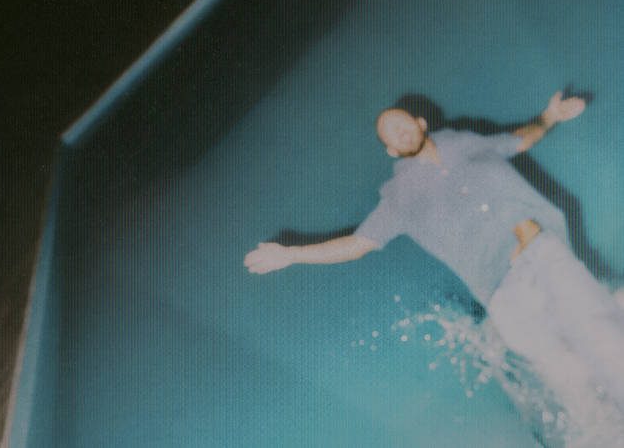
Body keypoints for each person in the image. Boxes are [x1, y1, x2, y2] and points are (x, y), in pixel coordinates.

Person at [244, 91, 624, 431]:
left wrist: (549, 116)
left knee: (604, 337)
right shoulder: (398, 197)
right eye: (390, 133)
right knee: (570, 384)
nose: (399, 131)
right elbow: (358, 244)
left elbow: (520, 139)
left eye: (401, 122)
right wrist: (291, 254)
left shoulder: (464, 142)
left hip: (540, 252)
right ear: (391, 151)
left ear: (421, 123)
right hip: (501, 296)